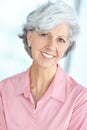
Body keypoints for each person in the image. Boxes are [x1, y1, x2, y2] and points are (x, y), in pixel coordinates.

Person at [0, 0, 87, 130]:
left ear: (67, 47)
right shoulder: (4, 90)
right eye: (45, 35)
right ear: (29, 37)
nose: (51, 46)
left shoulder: (80, 99)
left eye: (60, 40)